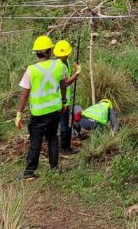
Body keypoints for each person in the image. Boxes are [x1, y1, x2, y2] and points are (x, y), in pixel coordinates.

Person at [15, 35, 72, 179]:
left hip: (39, 112)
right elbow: (63, 85)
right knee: (53, 137)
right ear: (49, 51)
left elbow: (24, 94)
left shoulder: (31, 70)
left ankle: (29, 172)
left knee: (36, 141)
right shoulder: (58, 65)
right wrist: (63, 101)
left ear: (37, 52)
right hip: (55, 110)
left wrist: (19, 114)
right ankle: (54, 169)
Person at [53, 40, 82, 156]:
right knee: (64, 123)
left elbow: (66, 79)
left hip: (64, 98)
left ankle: (63, 145)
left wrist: (74, 71)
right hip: (61, 100)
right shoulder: (59, 66)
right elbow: (65, 83)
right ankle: (64, 147)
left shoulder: (65, 62)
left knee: (64, 122)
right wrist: (77, 74)